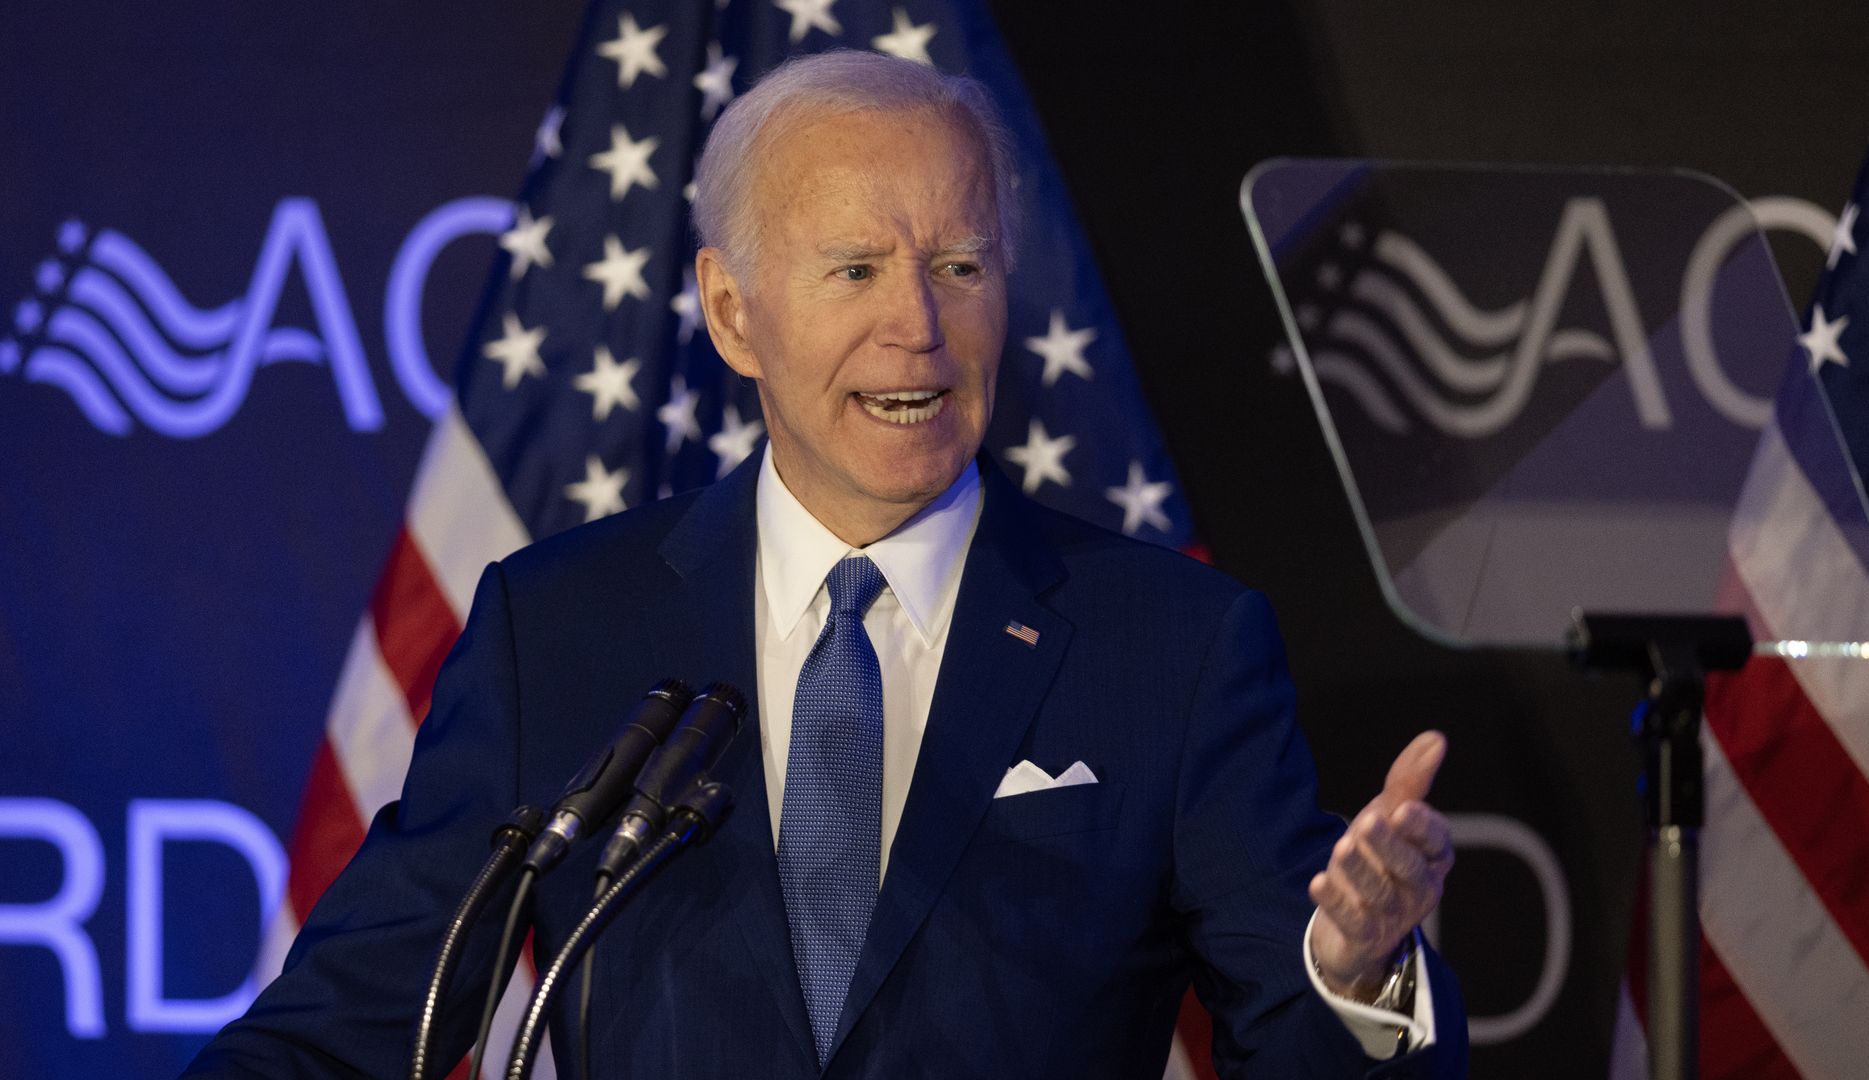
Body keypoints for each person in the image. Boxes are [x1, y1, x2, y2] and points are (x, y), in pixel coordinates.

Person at [184, 51, 1466, 1079]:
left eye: (959, 267)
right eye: (855, 269)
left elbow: (1295, 1049)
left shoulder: (1174, 647)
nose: (917, 326)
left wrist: (1354, 977)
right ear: (733, 311)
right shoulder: (563, 626)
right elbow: (354, 1019)